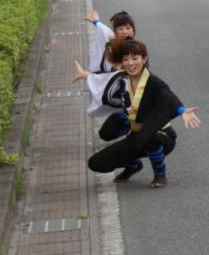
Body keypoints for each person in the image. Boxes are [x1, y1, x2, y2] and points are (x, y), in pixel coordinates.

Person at [79, 39, 201, 188]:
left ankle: (160, 174)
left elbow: (168, 97)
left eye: (135, 58)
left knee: (148, 136)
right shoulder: (122, 80)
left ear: (144, 59)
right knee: (96, 163)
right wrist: (85, 75)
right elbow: (103, 80)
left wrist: (182, 110)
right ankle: (133, 165)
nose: (130, 63)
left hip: (161, 136)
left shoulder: (154, 82)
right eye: (126, 59)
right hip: (136, 136)